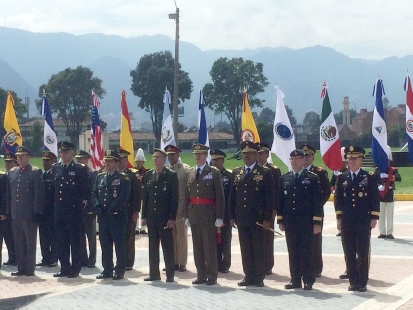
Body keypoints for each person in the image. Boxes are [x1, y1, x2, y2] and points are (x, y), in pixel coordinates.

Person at [229, 141, 275, 287]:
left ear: (256, 155)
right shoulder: (237, 173)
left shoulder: (265, 173)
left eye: (249, 153)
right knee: (246, 249)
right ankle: (248, 275)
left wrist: (268, 218)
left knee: (258, 248)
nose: (246, 156)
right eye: (244, 153)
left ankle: (258, 277)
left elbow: (270, 198)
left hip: (258, 219)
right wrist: (231, 216)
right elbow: (232, 197)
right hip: (242, 218)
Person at [335, 145, 380, 292]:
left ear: (361, 160)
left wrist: (374, 217)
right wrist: (339, 218)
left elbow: (374, 198)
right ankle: (353, 281)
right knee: (349, 251)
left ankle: (362, 281)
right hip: (348, 220)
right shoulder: (343, 177)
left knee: (362, 251)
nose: (352, 161)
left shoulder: (369, 177)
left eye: (355, 158)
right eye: (349, 159)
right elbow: (338, 199)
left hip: (363, 220)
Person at [277, 149, 322, 290]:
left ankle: (308, 279)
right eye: (292, 159)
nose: (294, 161)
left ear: (303, 160)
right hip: (290, 222)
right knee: (293, 251)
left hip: (306, 222)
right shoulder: (284, 178)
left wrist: (316, 222)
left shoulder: (312, 178)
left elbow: (317, 202)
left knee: (307, 251)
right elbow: (281, 201)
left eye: (297, 159)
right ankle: (295, 279)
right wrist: (281, 219)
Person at [185, 143, 225, 286]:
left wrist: (219, 216)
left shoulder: (213, 172)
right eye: (195, 154)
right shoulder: (189, 172)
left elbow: (220, 196)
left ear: (206, 156)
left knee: (209, 247)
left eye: (200, 154)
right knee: (197, 247)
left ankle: (212, 276)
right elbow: (186, 195)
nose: (197, 157)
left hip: (208, 214)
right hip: (194, 213)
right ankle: (200, 274)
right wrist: (186, 215)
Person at [53, 141, 89, 278]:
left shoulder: (80, 169)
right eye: (61, 152)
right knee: (61, 241)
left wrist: (80, 208)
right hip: (60, 211)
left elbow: (85, 192)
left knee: (75, 241)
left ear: (72, 153)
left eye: (66, 152)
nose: (63, 154)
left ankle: (75, 268)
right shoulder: (57, 168)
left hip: (73, 211)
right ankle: (64, 267)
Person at [93, 150, 131, 280]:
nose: (107, 163)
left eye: (110, 161)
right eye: (106, 161)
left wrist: (111, 209)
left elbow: (123, 197)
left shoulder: (123, 178)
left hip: (116, 217)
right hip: (103, 217)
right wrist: (98, 207)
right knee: (105, 244)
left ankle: (120, 270)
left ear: (116, 163)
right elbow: (94, 194)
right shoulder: (100, 177)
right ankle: (107, 269)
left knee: (119, 245)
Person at [142, 148, 178, 282]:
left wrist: (172, 218)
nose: (155, 159)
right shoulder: (148, 175)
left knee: (167, 247)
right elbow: (145, 197)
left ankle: (170, 274)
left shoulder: (171, 175)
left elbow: (174, 198)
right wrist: (144, 216)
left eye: (158, 157)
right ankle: (154, 274)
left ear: (164, 159)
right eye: (154, 157)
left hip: (165, 218)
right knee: (152, 247)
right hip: (152, 217)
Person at [6, 146, 44, 276]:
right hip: (15, 213)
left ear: (28, 157)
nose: (20, 158)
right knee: (18, 242)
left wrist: (36, 212)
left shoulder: (35, 172)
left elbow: (38, 194)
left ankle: (29, 268)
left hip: (29, 214)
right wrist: (8, 211)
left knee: (30, 242)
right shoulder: (12, 172)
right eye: (18, 156)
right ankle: (21, 267)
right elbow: (9, 195)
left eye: (22, 155)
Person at [300, 144, 331, 278]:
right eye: (303, 155)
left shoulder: (319, 172)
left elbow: (326, 192)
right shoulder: (296, 171)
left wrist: (317, 206)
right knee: (301, 241)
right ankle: (302, 267)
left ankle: (317, 267)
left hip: (315, 213)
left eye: (308, 155)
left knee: (315, 241)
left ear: (313, 157)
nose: (305, 158)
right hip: (300, 214)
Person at [115, 148, 142, 271]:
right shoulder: (113, 174)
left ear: (126, 160)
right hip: (117, 212)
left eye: (122, 160)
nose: (120, 163)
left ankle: (129, 262)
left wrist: (136, 211)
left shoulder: (133, 175)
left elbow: (137, 194)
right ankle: (120, 261)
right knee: (118, 238)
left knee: (129, 237)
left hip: (129, 211)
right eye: (118, 160)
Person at [257, 142, 281, 276]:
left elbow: (276, 192)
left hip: (268, 209)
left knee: (267, 239)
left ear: (267, 154)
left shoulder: (273, 170)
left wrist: (274, 209)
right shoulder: (253, 169)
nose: (259, 156)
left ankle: (267, 265)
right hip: (255, 210)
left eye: (262, 153)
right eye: (258, 153)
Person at [165, 144, 190, 272]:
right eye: (168, 155)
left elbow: (187, 190)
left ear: (178, 155)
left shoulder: (184, 170)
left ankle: (182, 262)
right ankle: (173, 261)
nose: (170, 157)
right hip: (169, 209)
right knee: (171, 237)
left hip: (180, 208)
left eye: (172, 155)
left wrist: (187, 209)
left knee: (181, 236)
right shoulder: (167, 169)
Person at [210, 149, 233, 273]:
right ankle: (216, 262)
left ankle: (225, 263)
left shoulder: (229, 175)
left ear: (222, 161)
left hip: (225, 213)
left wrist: (230, 215)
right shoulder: (210, 174)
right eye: (212, 160)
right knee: (213, 240)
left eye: (217, 160)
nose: (214, 162)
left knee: (225, 239)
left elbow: (231, 196)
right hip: (212, 213)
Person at [75, 150, 98, 268]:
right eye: (77, 159)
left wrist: (92, 207)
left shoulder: (92, 173)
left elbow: (93, 192)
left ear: (87, 159)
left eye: (81, 159)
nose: (78, 161)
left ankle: (92, 259)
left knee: (91, 237)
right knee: (80, 237)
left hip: (89, 209)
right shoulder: (76, 173)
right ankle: (83, 259)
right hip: (78, 210)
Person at [37, 151, 58, 267]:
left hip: (52, 210)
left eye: (48, 160)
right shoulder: (41, 174)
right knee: (43, 236)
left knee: (53, 236)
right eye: (44, 160)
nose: (45, 162)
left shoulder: (55, 174)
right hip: (42, 210)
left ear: (53, 161)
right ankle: (45, 258)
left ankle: (54, 258)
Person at [376, 146, 401, 239]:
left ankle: (389, 232)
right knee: (381, 215)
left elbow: (399, 178)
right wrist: (378, 185)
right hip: (381, 194)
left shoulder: (393, 170)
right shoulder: (377, 170)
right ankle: (382, 232)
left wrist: (389, 176)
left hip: (389, 193)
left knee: (389, 215)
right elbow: (374, 180)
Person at [0, 153, 17, 267]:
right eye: (6, 162)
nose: (7, 164)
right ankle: (12, 257)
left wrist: (6, 212)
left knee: (12, 237)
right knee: (7, 237)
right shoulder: (4, 176)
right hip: (5, 212)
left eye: (10, 162)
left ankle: (15, 257)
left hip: (12, 212)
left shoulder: (15, 176)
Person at [135, 148, 149, 235]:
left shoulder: (147, 171)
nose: (139, 162)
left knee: (144, 210)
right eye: (138, 161)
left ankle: (143, 227)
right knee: (137, 210)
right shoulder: (133, 170)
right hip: (136, 193)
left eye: (140, 161)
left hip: (144, 193)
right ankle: (136, 228)